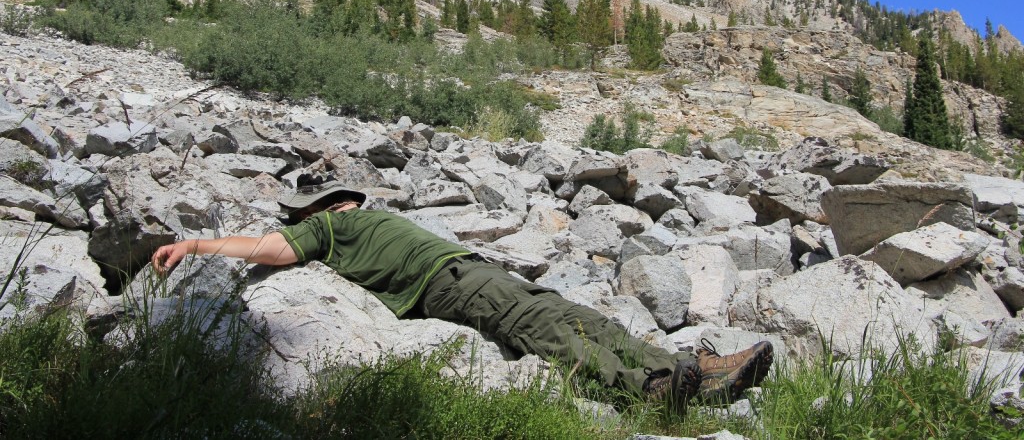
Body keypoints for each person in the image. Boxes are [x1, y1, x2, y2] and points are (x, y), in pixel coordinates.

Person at [152, 181, 773, 407]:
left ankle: (690, 367)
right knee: (535, 323)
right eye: (336, 200)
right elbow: (270, 249)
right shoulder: (325, 227)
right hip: (444, 285)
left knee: (568, 309)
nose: (346, 202)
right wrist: (197, 246)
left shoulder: (358, 216)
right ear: (328, 207)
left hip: (467, 265)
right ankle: (651, 390)